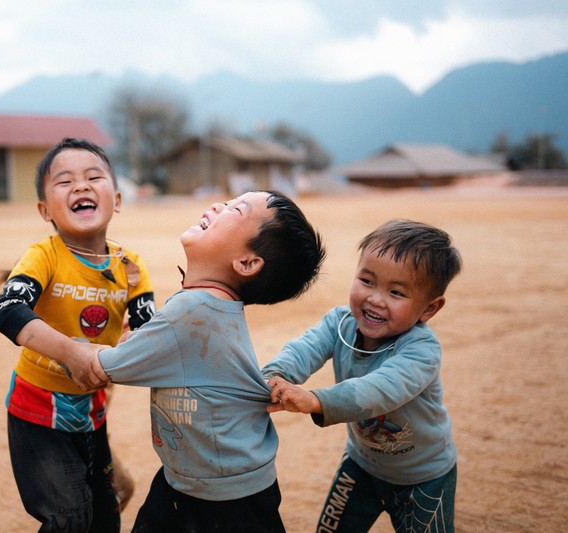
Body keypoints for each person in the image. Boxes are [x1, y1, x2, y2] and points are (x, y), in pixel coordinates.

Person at [75, 190, 326, 532]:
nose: (218, 206)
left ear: (247, 263)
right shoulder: (207, 306)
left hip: (225, 500)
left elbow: (105, 367)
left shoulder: (192, 310)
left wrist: (51, 339)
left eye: (235, 209)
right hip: (200, 481)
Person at [0, 137, 156, 532]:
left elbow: (151, 333)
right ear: (44, 209)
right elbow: (8, 310)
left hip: (90, 413)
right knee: (69, 517)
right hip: (36, 410)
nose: (81, 186)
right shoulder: (44, 256)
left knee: (106, 515)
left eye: (94, 177)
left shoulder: (130, 266)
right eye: (64, 181)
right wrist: (71, 353)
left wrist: (136, 343)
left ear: (116, 199)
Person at [262, 219, 462, 533]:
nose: (375, 298)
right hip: (361, 466)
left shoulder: (422, 350)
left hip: (423, 477)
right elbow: (305, 348)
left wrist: (315, 400)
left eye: (396, 292)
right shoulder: (339, 323)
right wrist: (275, 374)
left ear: (429, 308)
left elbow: (378, 391)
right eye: (367, 281)